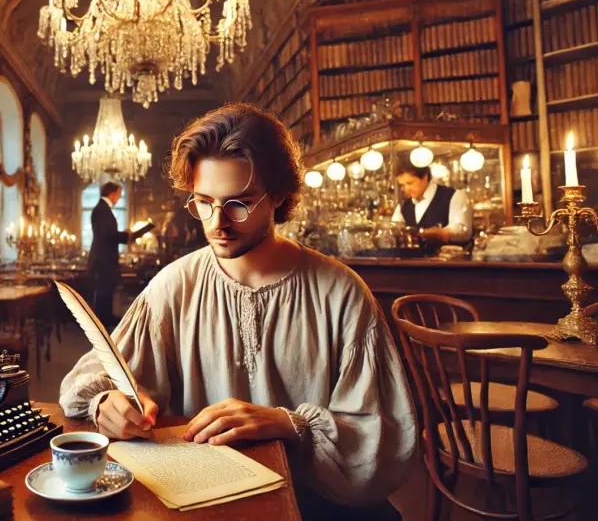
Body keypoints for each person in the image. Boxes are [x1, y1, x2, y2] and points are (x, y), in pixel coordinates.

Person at [60, 104, 417, 520]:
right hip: (201, 501)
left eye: (239, 204)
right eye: (204, 202)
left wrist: (290, 423)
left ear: (280, 195)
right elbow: (85, 382)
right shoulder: (173, 285)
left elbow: (384, 437)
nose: (218, 223)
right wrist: (106, 402)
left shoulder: (340, 293)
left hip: (315, 503)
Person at [391, 159, 472, 250]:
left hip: (448, 262)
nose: (405, 189)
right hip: (412, 262)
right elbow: (393, 229)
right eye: (402, 185)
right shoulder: (403, 205)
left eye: (410, 183)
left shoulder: (454, 196)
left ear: (425, 177)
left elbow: (462, 232)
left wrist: (436, 233)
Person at [87, 181, 131, 328]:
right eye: (119, 194)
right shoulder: (101, 209)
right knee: (103, 290)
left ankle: (106, 317)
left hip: (105, 258)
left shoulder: (102, 209)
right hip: (103, 259)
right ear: (112, 194)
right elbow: (106, 234)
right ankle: (101, 321)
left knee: (107, 289)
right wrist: (125, 235)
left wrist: (125, 236)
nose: (119, 197)